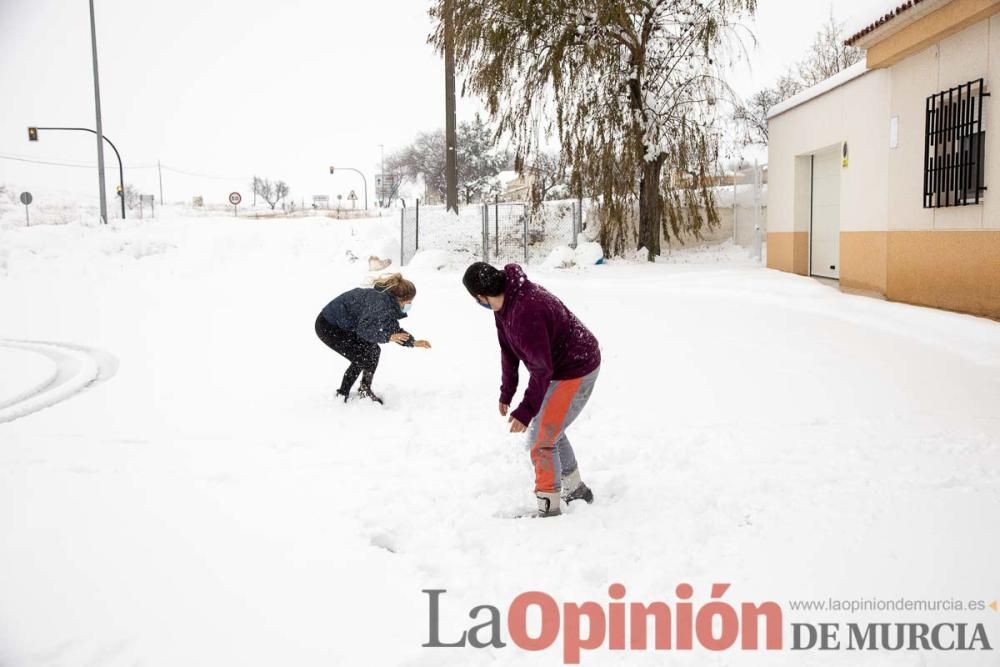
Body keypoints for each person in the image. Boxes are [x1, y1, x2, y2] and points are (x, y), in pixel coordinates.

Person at [463, 262, 601, 518]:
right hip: (558, 368)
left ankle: (549, 508)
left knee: (541, 441)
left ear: (480, 296)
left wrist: (526, 411)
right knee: (550, 430)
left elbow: (541, 370)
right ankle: (577, 490)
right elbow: (508, 350)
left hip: (577, 368)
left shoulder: (526, 310)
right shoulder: (503, 304)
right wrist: (507, 392)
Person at [316, 273, 431, 404]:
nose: (410, 304)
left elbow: (391, 327)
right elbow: (364, 330)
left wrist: (413, 342)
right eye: (408, 302)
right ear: (399, 298)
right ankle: (342, 394)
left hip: (345, 325)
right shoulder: (379, 304)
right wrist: (388, 337)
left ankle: (365, 389)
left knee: (373, 350)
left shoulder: (389, 303)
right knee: (361, 357)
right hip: (328, 325)